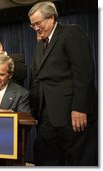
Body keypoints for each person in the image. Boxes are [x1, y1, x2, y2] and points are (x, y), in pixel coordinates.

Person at [28, 1, 98, 166]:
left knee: (79, 160)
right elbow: (37, 81)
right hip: (46, 116)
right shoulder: (39, 46)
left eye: (38, 23)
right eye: (32, 25)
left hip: (72, 114)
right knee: (45, 158)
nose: (36, 28)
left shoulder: (71, 33)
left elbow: (84, 74)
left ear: (51, 18)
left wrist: (80, 108)